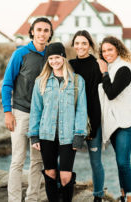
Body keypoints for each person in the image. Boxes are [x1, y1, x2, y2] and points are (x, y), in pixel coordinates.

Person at [27, 42, 87, 202]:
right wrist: (34, 135)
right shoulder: (41, 82)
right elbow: (36, 109)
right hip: (46, 134)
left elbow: (81, 109)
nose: (54, 61)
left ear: (63, 58)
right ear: (48, 60)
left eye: (57, 57)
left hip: (68, 136)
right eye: (51, 58)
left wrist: (79, 134)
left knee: (66, 176)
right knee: (50, 173)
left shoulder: (77, 81)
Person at [1, 17, 53, 202]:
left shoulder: (51, 56)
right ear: (32, 32)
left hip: (43, 117)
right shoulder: (20, 54)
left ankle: (32, 199)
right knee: (17, 160)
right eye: (39, 29)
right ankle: (14, 199)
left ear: (50, 34)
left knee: (38, 161)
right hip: (21, 113)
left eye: (46, 30)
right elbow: (7, 84)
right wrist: (8, 112)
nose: (42, 33)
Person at [97, 36, 131, 202]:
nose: (107, 53)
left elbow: (111, 93)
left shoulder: (123, 68)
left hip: (127, 121)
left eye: (110, 49)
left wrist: (103, 72)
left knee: (123, 162)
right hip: (115, 121)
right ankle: (124, 195)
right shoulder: (112, 67)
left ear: (118, 49)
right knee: (120, 163)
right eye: (104, 51)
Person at [69, 30, 105, 202]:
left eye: (84, 43)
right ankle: (66, 189)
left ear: (90, 45)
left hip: (93, 119)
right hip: (71, 121)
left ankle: (98, 196)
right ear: (73, 45)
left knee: (95, 161)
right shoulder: (69, 65)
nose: (80, 46)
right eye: (77, 43)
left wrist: (96, 123)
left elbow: (104, 92)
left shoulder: (98, 64)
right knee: (66, 160)